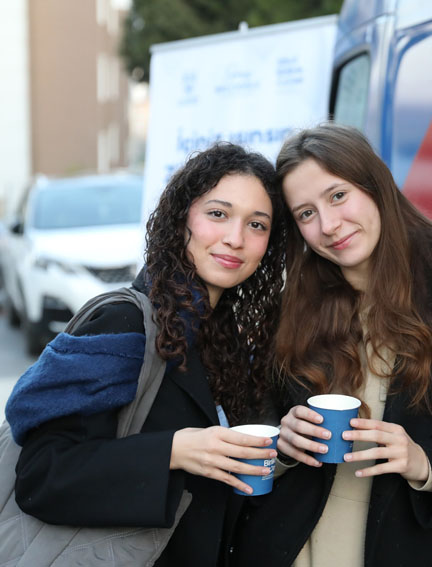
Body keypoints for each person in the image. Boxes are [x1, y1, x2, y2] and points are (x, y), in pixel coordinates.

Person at [229, 123, 432, 567]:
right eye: (306, 213)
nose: (329, 225)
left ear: (376, 186)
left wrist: (425, 462)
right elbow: (247, 433)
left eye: (338, 196)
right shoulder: (293, 312)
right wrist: (280, 444)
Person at [6, 142, 286, 566]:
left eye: (257, 224)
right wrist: (173, 451)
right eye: (217, 214)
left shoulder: (224, 332)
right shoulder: (125, 322)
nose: (235, 238)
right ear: (181, 220)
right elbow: (42, 476)